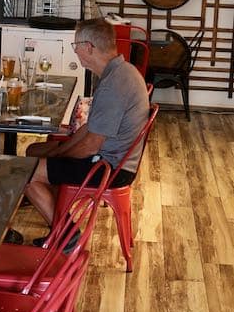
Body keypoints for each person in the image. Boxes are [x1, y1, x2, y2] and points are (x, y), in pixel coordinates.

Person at [22, 18, 150, 227]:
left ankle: (67, 237)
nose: (75, 51)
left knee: (24, 171)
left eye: (76, 46)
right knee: (35, 150)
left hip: (110, 168)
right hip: (113, 160)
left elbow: (91, 146)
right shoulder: (121, 71)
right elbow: (90, 128)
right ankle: (49, 205)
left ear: (88, 47)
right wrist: (59, 149)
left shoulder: (113, 85)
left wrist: (59, 154)